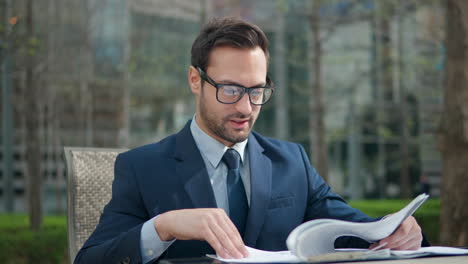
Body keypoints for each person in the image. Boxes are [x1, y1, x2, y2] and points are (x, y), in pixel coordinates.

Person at [74, 17, 427, 264]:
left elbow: (355, 233)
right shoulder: (142, 168)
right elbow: (91, 260)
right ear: (195, 80)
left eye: (256, 91)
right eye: (230, 90)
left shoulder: (292, 162)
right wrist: (162, 227)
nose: (245, 107)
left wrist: (396, 231)